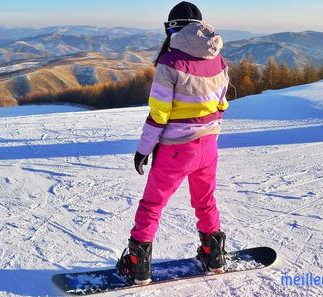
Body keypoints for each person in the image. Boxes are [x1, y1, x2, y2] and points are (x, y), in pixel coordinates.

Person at [116, 1, 230, 285]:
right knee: (205, 201)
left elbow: (158, 115)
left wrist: (143, 151)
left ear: (172, 28)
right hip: (209, 145)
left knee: (152, 204)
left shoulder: (170, 63)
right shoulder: (219, 59)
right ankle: (213, 255)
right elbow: (222, 104)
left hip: (177, 148)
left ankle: (137, 266)